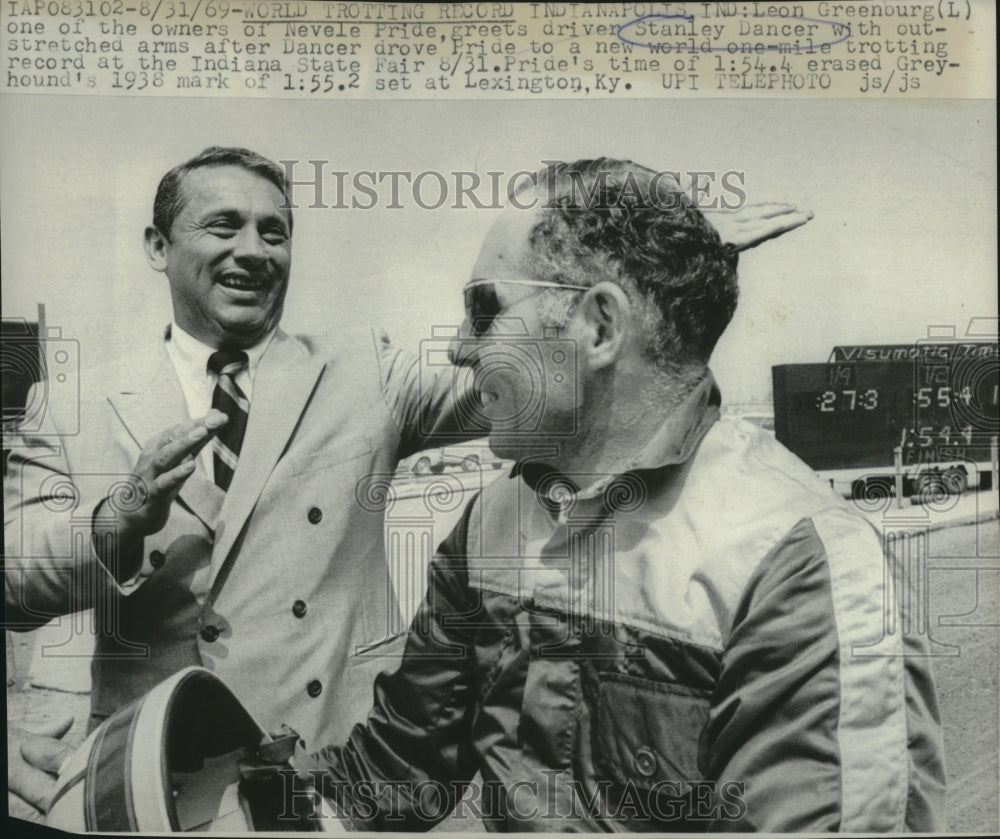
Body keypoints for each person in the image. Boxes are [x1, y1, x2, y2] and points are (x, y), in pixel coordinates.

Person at [3, 150, 814, 819]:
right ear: (157, 245)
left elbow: (512, 364)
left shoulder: (364, 370)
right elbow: (14, 578)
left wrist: (650, 272)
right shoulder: (74, 399)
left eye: (275, 231)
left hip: (336, 782)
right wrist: (116, 520)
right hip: (154, 783)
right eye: (224, 224)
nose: (254, 249)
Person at [283, 159, 946, 831]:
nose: (458, 347)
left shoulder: (800, 563)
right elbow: (393, 780)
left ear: (599, 327)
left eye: (484, 310)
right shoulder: (490, 521)